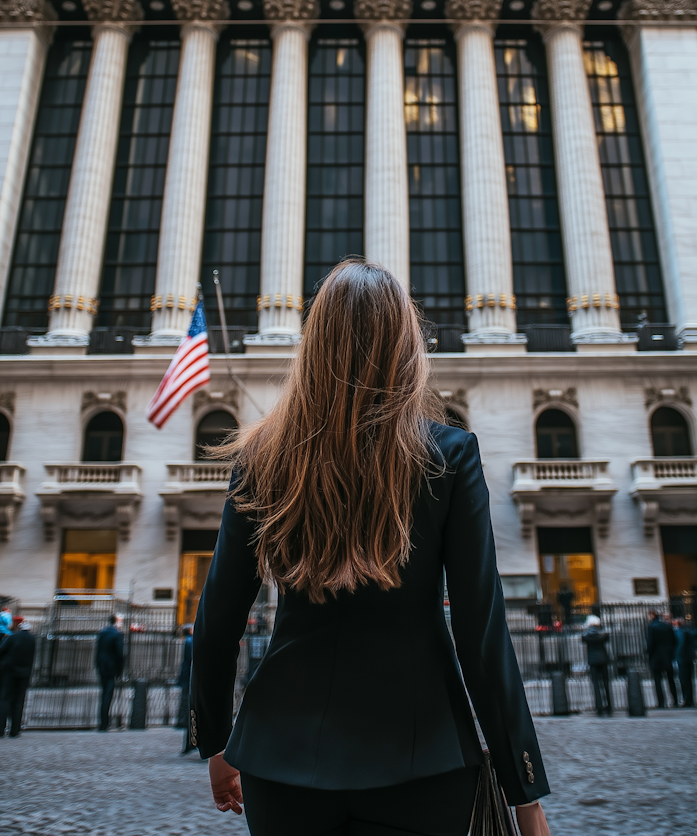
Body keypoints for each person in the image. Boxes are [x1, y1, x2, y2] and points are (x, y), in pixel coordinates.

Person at [191, 260, 552, 836]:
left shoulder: (260, 458)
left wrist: (214, 742)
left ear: (314, 345)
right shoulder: (450, 456)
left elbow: (215, 622)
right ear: (405, 344)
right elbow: (482, 636)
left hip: (279, 756)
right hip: (424, 756)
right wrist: (524, 791)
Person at [0, 616, 36, 738]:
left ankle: (0, 730)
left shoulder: (13, 637)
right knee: (18, 701)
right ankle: (15, 730)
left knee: (5, 699)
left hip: (9, 672)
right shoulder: (32, 639)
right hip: (24, 673)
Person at [95, 614, 124, 732]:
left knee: (104, 694)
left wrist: (97, 664)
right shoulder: (117, 634)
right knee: (108, 695)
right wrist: (120, 671)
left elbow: (98, 650)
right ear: (116, 621)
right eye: (121, 621)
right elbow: (120, 654)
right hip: (112, 668)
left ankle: (103, 722)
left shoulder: (102, 632)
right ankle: (105, 724)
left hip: (102, 666)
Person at [646, 610, 678, 708]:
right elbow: (674, 641)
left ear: (652, 616)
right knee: (671, 679)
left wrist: (649, 653)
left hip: (656, 657)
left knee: (657, 681)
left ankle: (661, 702)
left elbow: (650, 643)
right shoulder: (667, 626)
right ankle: (675, 700)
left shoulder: (652, 627)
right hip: (667, 656)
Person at [581, 615, 612, 716]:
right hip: (603, 659)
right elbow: (606, 639)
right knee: (606, 683)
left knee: (596, 684)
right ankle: (609, 706)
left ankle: (599, 707)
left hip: (593, 660)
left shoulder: (586, 635)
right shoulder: (603, 634)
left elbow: (583, 640)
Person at [177, 624, 194, 754]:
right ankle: (191, 743)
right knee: (191, 708)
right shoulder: (190, 641)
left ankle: (190, 743)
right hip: (191, 678)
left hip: (188, 677)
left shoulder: (189, 641)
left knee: (191, 709)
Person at [673, 617, 696, 708]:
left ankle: (687, 700)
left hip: (682, 659)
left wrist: (676, 656)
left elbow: (680, 645)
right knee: (688, 680)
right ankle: (689, 700)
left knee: (684, 680)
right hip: (688, 658)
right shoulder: (688, 630)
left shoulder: (679, 632)